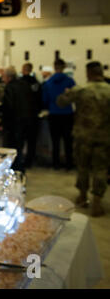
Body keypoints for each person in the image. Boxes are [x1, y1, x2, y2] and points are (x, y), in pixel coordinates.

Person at [57, 62, 110, 217]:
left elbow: (60, 102)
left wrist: (67, 92)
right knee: (101, 169)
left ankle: (82, 197)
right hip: (104, 138)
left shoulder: (80, 90)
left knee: (83, 167)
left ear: (88, 73)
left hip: (83, 137)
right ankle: (97, 202)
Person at [42, 59, 76, 169]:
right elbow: (74, 97)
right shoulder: (70, 81)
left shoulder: (48, 82)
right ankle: (69, 164)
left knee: (55, 141)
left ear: (54, 67)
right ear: (64, 67)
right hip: (67, 114)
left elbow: (45, 100)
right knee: (67, 141)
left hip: (54, 114)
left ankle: (56, 163)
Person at [1, 66, 31, 172]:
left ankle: (15, 170)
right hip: (26, 121)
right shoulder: (24, 84)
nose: (2, 78)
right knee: (21, 146)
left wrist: (4, 123)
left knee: (13, 148)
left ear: (8, 77)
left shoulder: (9, 88)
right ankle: (21, 169)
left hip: (13, 123)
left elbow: (8, 107)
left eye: (3, 76)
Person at [20, 63, 42, 168]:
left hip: (22, 116)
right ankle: (30, 161)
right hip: (34, 115)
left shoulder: (19, 83)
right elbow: (41, 99)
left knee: (20, 140)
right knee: (32, 141)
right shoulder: (36, 83)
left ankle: (20, 160)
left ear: (23, 69)